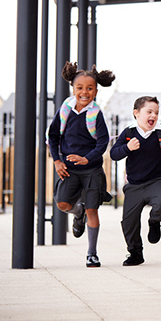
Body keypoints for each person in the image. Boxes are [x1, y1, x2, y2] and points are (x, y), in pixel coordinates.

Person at [47, 61, 115, 268]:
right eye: (80, 88)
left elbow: (103, 142)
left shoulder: (96, 113)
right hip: (69, 169)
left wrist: (88, 158)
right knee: (62, 204)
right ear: (73, 88)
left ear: (96, 90)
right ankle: (78, 213)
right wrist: (57, 161)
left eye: (89, 88)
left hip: (92, 170)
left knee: (92, 210)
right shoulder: (65, 109)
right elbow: (53, 136)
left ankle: (91, 254)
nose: (84, 92)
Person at [110, 96, 161, 266]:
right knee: (128, 223)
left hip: (156, 181)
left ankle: (154, 221)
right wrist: (127, 148)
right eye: (149, 112)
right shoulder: (129, 133)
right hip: (134, 185)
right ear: (136, 113)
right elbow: (114, 154)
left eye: (156, 112)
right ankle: (135, 253)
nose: (153, 115)